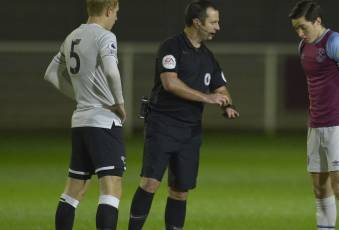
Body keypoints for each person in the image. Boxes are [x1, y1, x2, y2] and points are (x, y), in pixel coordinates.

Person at [128, 1, 239, 229]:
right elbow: (170, 83)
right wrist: (207, 98)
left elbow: (221, 88)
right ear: (197, 22)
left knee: (180, 191)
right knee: (150, 183)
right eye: (214, 22)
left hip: (190, 132)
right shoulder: (171, 47)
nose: (218, 27)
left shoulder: (208, 56)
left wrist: (226, 104)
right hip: (163, 125)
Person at [44, 0, 126, 229]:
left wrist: (79, 97)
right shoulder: (105, 37)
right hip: (103, 121)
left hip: (80, 121)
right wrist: (119, 103)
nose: (116, 18)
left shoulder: (72, 36)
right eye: (117, 12)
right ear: (109, 10)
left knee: (74, 190)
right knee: (112, 186)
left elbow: (51, 75)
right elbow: (111, 70)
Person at [289, 1, 339, 230]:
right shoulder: (303, 46)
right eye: (296, 28)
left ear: (318, 21)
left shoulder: (335, 42)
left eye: (303, 27)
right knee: (320, 188)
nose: (300, 33)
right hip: (316, 123)